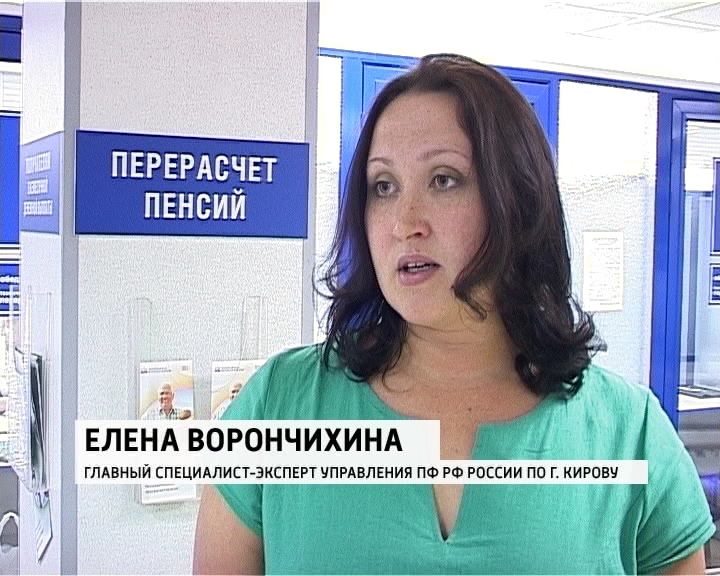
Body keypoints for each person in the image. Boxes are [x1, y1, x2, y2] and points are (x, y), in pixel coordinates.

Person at [193, 54, 714, 574]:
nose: (404, 222)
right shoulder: (279, 405)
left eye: (443, 180)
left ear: (518, 200)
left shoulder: (630, 434)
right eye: (383, 186)